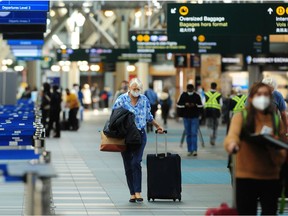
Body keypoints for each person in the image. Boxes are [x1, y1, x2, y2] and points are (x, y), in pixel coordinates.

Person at [224, 82, 287, 215]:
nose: (262, 98)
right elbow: (232, 135)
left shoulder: (275, 120)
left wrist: (276, 149)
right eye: (259, 94)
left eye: (266, 95)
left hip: (270, 176)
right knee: (247, 212)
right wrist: (232, 144)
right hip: (246, 175)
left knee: (269, 212)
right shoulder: (241, 116)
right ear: (251, 98)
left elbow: (282, 146)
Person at [112, 78, 164, 203]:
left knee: (136, 162)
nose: (136, 91)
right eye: (134, 88)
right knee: (128, 164)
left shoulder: (144, 99)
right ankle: (132, 193)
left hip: (140, 134)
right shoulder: (121, 100)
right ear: (129, 88)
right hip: (125, 136)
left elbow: (148, 116)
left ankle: (138, 192)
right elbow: (114, 116)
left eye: (138, 89)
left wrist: (158, 126)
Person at [177, 84, 203, 156]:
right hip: (186, 117)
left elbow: (200, 105)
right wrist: (185, 104)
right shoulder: (183, 95)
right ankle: (189, 150)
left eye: (191, 89)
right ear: (187, 89)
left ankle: (194, 150)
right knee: (188, 133)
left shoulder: (196, 96)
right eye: (189, 89)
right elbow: (179, 105)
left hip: (195, 117)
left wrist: (194, 105)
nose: (190, 91)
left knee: (194, 133)